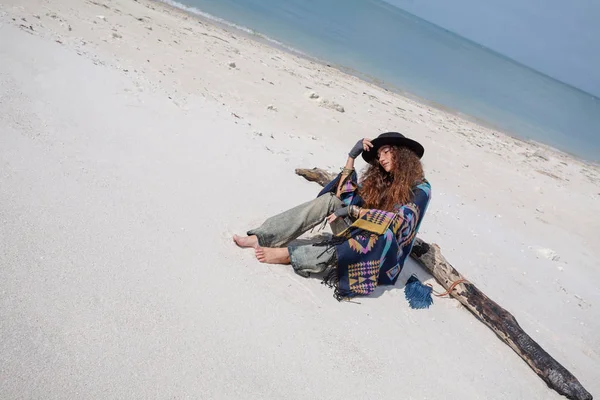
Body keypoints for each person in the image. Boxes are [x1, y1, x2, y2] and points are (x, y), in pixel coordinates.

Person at [234, 132, 431, 300]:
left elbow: (400, 222)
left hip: (381, 254)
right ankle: (262, 236)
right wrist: (351, 157)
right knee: (330, 200)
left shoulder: (421, 188)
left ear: (402, 154)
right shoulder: (383, 180)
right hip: (359, 232)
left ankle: (290, 256)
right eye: (379, 155)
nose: (381, 158)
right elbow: (343, 195)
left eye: (386, 152)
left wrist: (354, 211)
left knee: (380, 236)